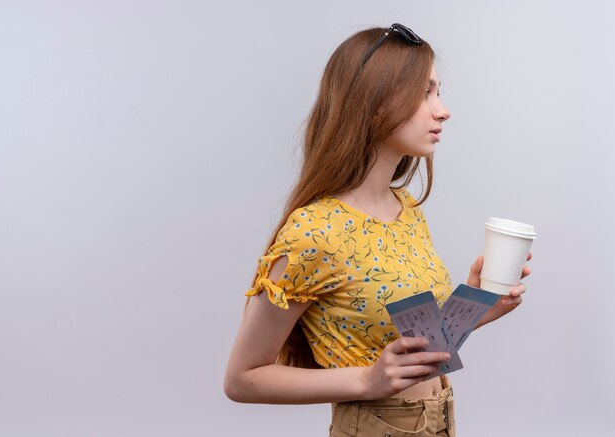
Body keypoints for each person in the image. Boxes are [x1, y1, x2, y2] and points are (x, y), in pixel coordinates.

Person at [224, 23, 531, 437]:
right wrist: (367, 380)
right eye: (424, 93)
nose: (442, 109)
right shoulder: (314, 233)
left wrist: (474, 307)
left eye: (437, 92)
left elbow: (415, 347)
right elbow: (243, 378)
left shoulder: (406, 210)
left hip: (440, 422)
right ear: (373, 103)